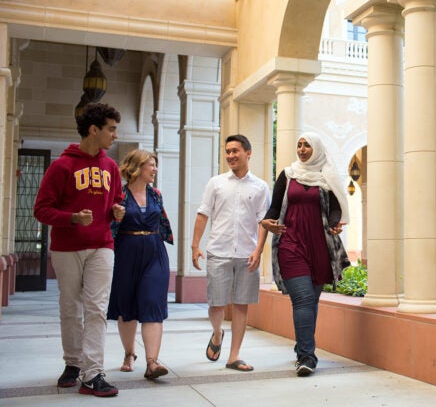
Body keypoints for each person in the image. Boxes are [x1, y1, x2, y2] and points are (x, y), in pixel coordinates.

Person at [33, 102, 125, 397]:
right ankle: (72, 362)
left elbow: (116, 201)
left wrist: (117, 210)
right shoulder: (61, 167)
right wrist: (71, 218)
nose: (114, 135)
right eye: (111, 129)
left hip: (102, 245)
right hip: (66, 247)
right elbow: (41, 210)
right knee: (70, 308)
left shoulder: (111, 167)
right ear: (93, 130)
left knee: (97, 308)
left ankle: (93, 372)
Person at [260, 132, 350, 377]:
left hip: (319, 246)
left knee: (310, 301)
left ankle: (302, 347)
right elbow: (275, 207)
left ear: (316, 149)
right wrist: (267, 222)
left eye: (306, 145)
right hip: (290, 243)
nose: (301, 149)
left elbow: (334, 209)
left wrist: (335, 224)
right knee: (301, 299)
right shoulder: (288, 175)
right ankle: (307, 357)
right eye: (299, 145)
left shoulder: (326, 177)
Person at [191, 134, 270, 372]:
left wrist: (258, 250)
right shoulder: (216, 183)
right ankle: (217, 334)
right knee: (216, 304)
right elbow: (203, 213)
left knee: (241, 305)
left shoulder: (261, 186)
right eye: (228, 152)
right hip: (218, 251)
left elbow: (263, 221)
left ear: (248, 153)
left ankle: (233, 356)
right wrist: (195, 245)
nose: (231, 156)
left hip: (247, 254)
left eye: (235, 151)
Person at [107, 149, 174, 380]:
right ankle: (129, 354)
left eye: (155, 165)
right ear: (137, 168)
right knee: (127, 308)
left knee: (153, 303)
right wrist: (115, 216)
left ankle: (152, 362)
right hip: (127, 252)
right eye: (151, 165)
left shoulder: (156, 194)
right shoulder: (119, 196)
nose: (155, 169)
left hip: (155, 252)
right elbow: (109, 226)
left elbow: (162, 222)